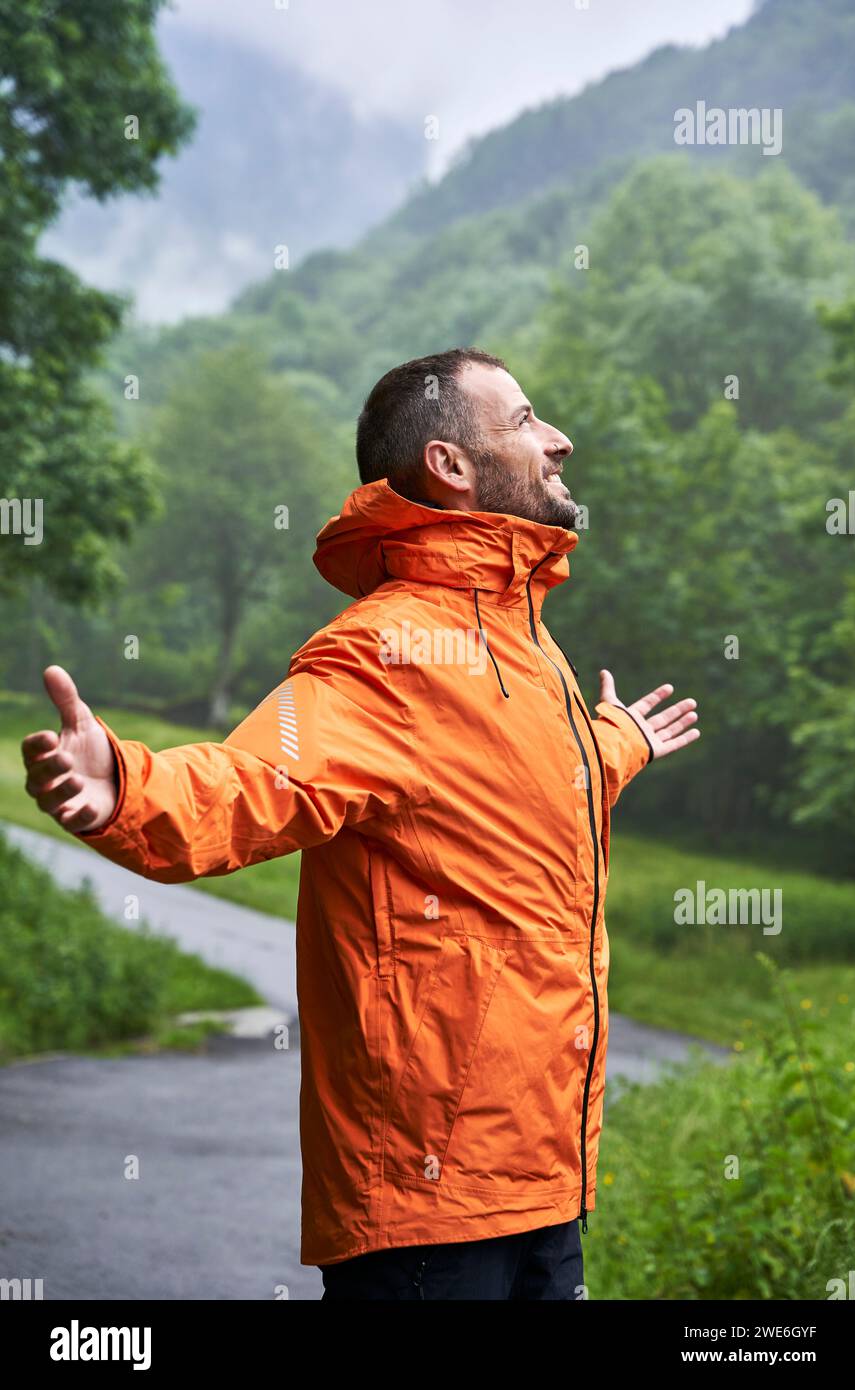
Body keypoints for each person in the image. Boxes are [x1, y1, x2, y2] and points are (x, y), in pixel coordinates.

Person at [21, 347, 699, 1301]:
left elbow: (518, 793)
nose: (559, 439)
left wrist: (615, 742)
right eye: (525, 420)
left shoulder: (525, 640)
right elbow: (255, 778)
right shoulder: (385, 649)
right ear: (451, 466)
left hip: (546, 1182)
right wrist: (130, 787)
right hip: (424, 1204)